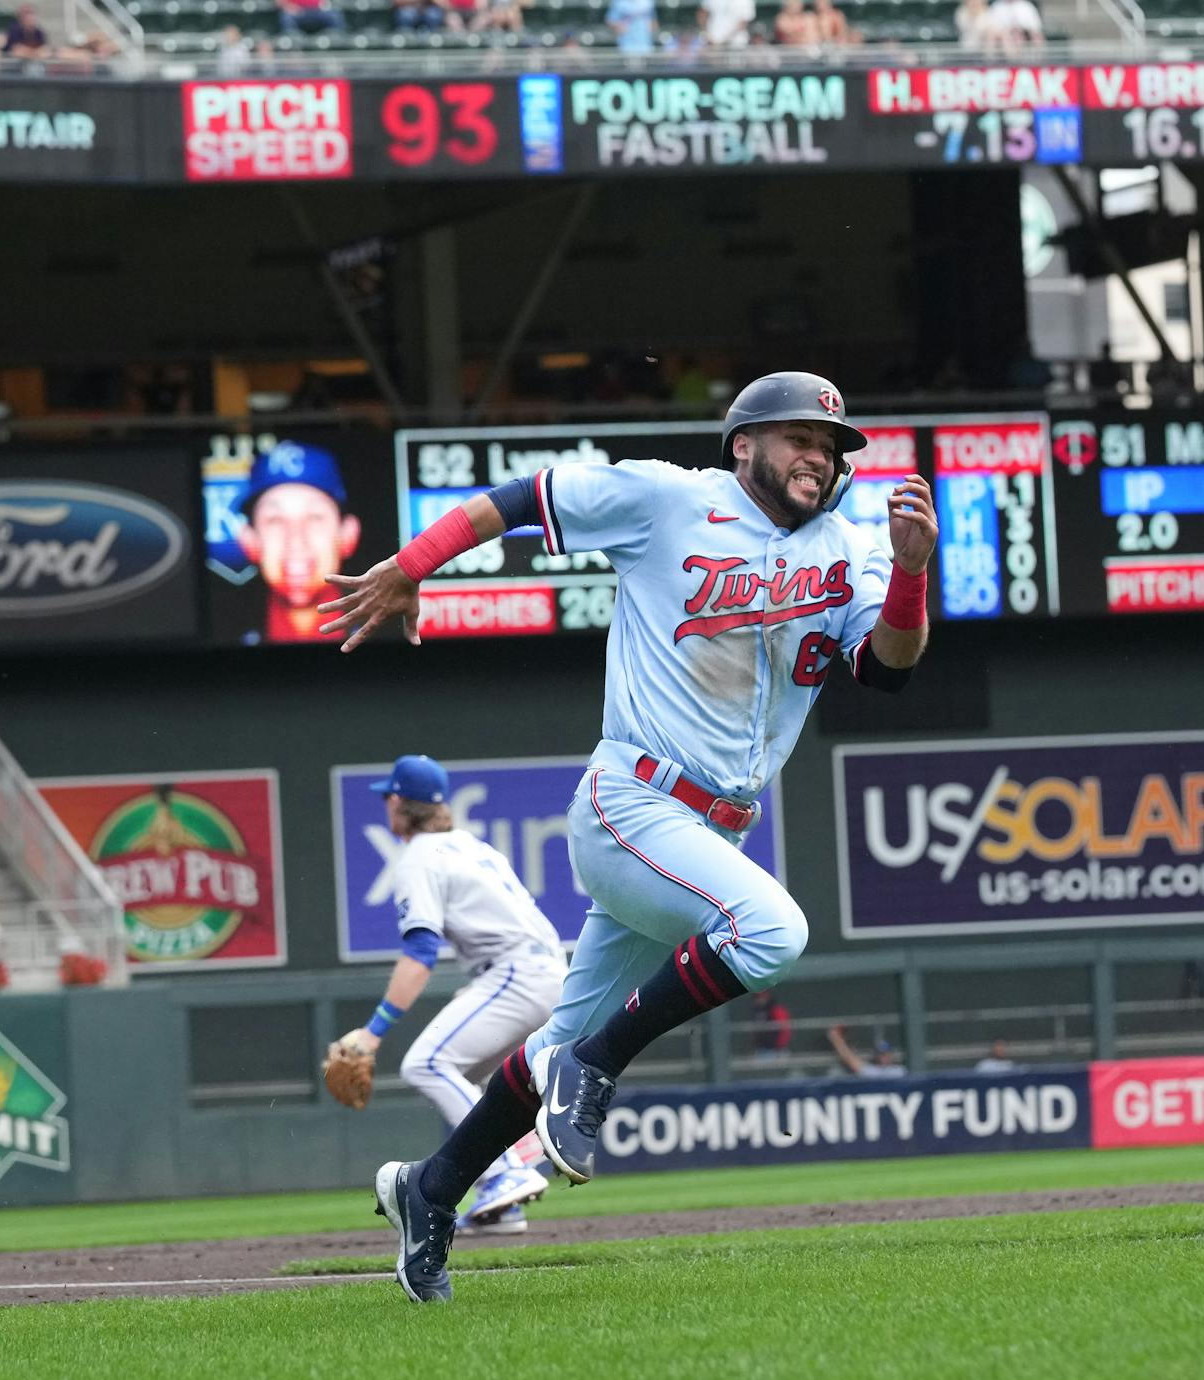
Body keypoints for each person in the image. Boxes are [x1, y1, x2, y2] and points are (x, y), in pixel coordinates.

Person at [325, 371, 936, 1302]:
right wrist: (411, 568)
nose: (820, 454)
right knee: (771, 932)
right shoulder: (668, 499)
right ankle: (598, 1070)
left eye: (832, 443)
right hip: (634, 802)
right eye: (800, 437)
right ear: (745, 443)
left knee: (547, 1048)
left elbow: (885, 672)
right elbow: (524, 497)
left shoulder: (850, 545)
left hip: (712, 826)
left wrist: (911, 575)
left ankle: (432, 1191)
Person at [329, 756, 566, 1235]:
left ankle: (508, 1171)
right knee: (469, 1085)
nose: (385, 806)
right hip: (547, 972)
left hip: (515, 973)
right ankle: (504, 1200)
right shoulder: (470, 846)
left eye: (387, 798)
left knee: (427, 1064)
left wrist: (372, 1034)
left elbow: (420, 953)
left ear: (397, 803)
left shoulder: (418, 857)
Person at [232, 442, 361, 644]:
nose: (296, 542)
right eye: (275, 520)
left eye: (314, 518)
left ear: (348, 535)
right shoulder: (232, 633)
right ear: (250, 541)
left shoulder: (385, 626)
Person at [829, 1024, 908, 1077]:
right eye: (881, 1054)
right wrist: (836, 1039)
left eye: (886, 1054)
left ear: (891, 1055)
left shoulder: (899, 1071)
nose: (884, 1057)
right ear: (876, 1056)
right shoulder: (872, 1071)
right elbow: (849, 1059)